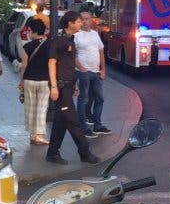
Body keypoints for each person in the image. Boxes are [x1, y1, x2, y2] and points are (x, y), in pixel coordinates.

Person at [46, 11, 99, 165]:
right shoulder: (58, 41)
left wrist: (74, 84)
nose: (81, 23)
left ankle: (52, 153)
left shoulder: (71, 41)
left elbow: (69, 65)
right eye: (78, 21)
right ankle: (84, 152)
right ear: (69, 23)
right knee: (73, 121)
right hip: (61, 87)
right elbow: (51, 63)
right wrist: (54, 86)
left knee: (60, 121)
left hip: (69, 85)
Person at [74, 9, 109, 137]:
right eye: (82, 19)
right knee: (83, 99)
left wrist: (103, 69)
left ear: (91, 20)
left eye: (87, 18)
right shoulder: (76, 35)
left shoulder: (95, 34)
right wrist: (81, 68)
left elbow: (101, 51)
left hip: (96, 72)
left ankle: (97, 125)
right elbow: (72, 55)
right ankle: (83, 128)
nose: (84, 21)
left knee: (100, 98)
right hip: (83, 72)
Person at [18, 18, 52, 145]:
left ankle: (32, 134)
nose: (28, 33)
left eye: (30, 30)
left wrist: (21, 81)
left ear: (35, 31)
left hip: (29, 80)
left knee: (30, 108)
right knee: (41, 109)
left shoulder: (27, 46)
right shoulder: (49, 45)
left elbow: (24, 66)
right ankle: (39, 135)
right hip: (44, 81)